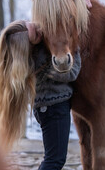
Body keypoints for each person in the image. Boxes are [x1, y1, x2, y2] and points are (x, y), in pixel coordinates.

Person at [26, 21, 82, 170]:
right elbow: (71, 73)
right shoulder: (44, 54)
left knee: (53, 159)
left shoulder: (30, 50)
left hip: (44, 107)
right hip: (54, 107)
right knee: (54, 160)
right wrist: (76, 48)